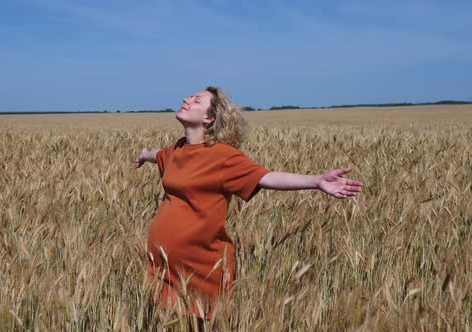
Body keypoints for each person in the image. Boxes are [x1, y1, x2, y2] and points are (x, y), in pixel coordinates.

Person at [134, 86, 363, 325]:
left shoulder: (223, 156)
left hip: (203, 270)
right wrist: (144, 154)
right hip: (163, 267)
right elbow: (157, 155)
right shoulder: (176, 150)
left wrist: (316, 181)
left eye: (196, 99)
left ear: (209, 118)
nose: (186, 99)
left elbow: (267, 177)